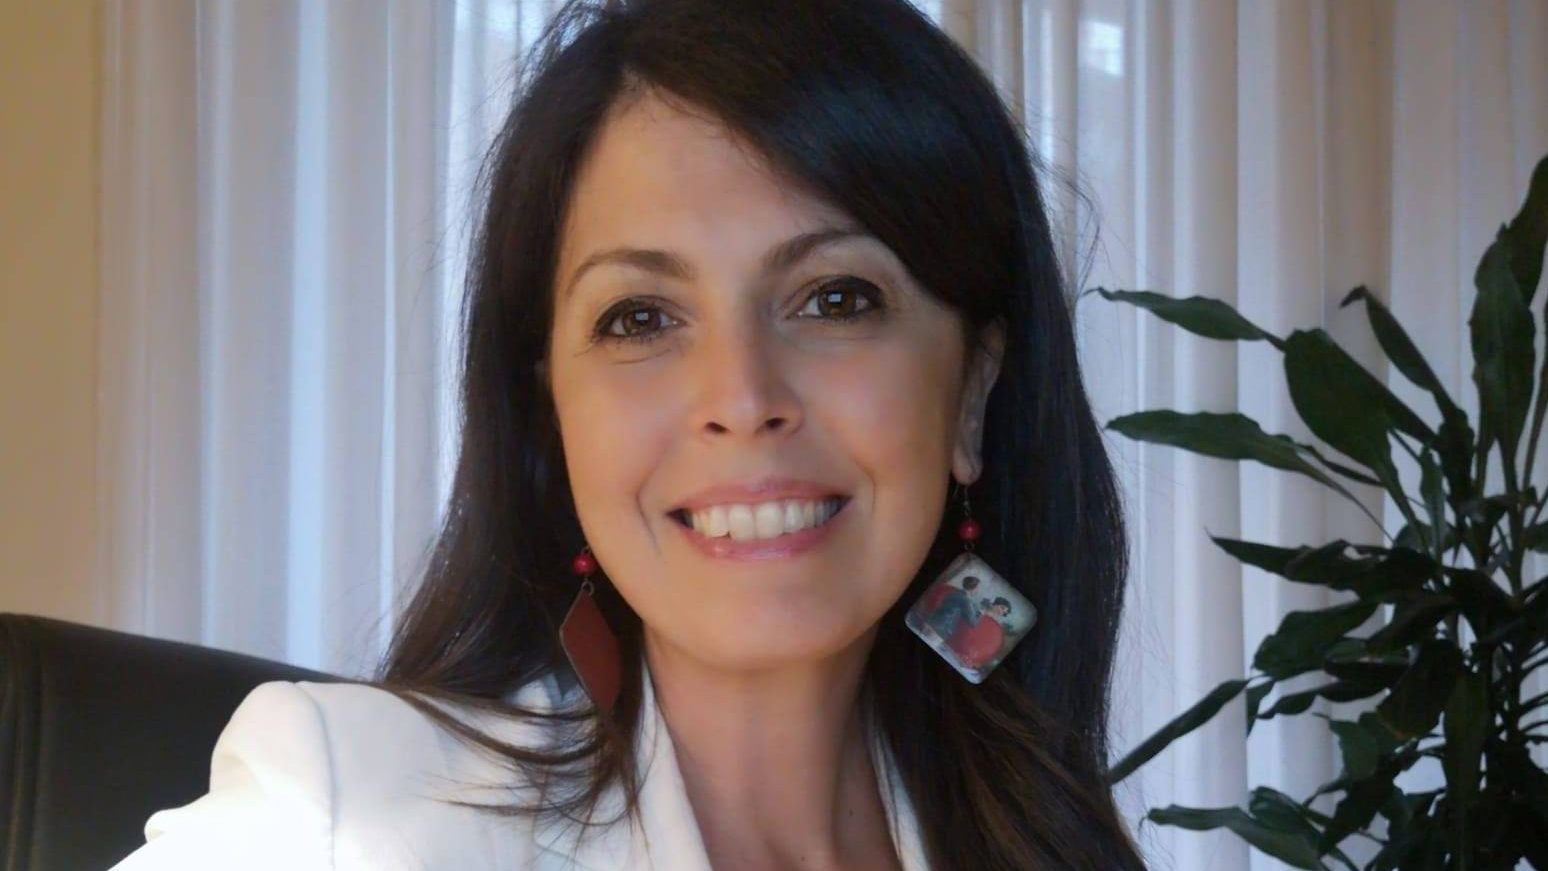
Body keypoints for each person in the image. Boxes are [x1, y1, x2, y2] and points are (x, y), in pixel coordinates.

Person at [111, 1, 1148, 869]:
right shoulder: (347, 817)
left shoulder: (1047, 844)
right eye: (640, 317)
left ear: (972, 392)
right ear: (552, 415)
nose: (741, 397)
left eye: (836, 298)